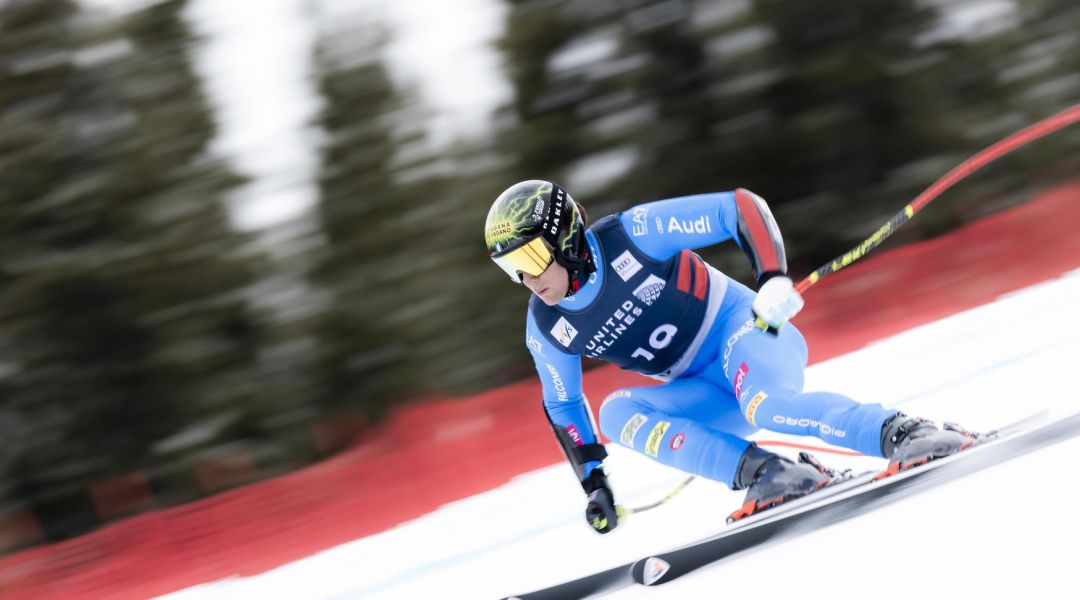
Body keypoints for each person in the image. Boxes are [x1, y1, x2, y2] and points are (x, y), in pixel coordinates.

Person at [483, 180, 975, 533]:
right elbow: (563, 404)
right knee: (616, 413)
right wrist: (594, 484)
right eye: (512, 269)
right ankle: (771, 474)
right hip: (702, 389)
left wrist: (772, 277)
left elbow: (738, 207)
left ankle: (904, 433)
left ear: (565, 238)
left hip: (743, 334)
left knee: (766, 407)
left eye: (530, 258)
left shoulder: (631, 235)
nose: (527, 279)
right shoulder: (547, 326)